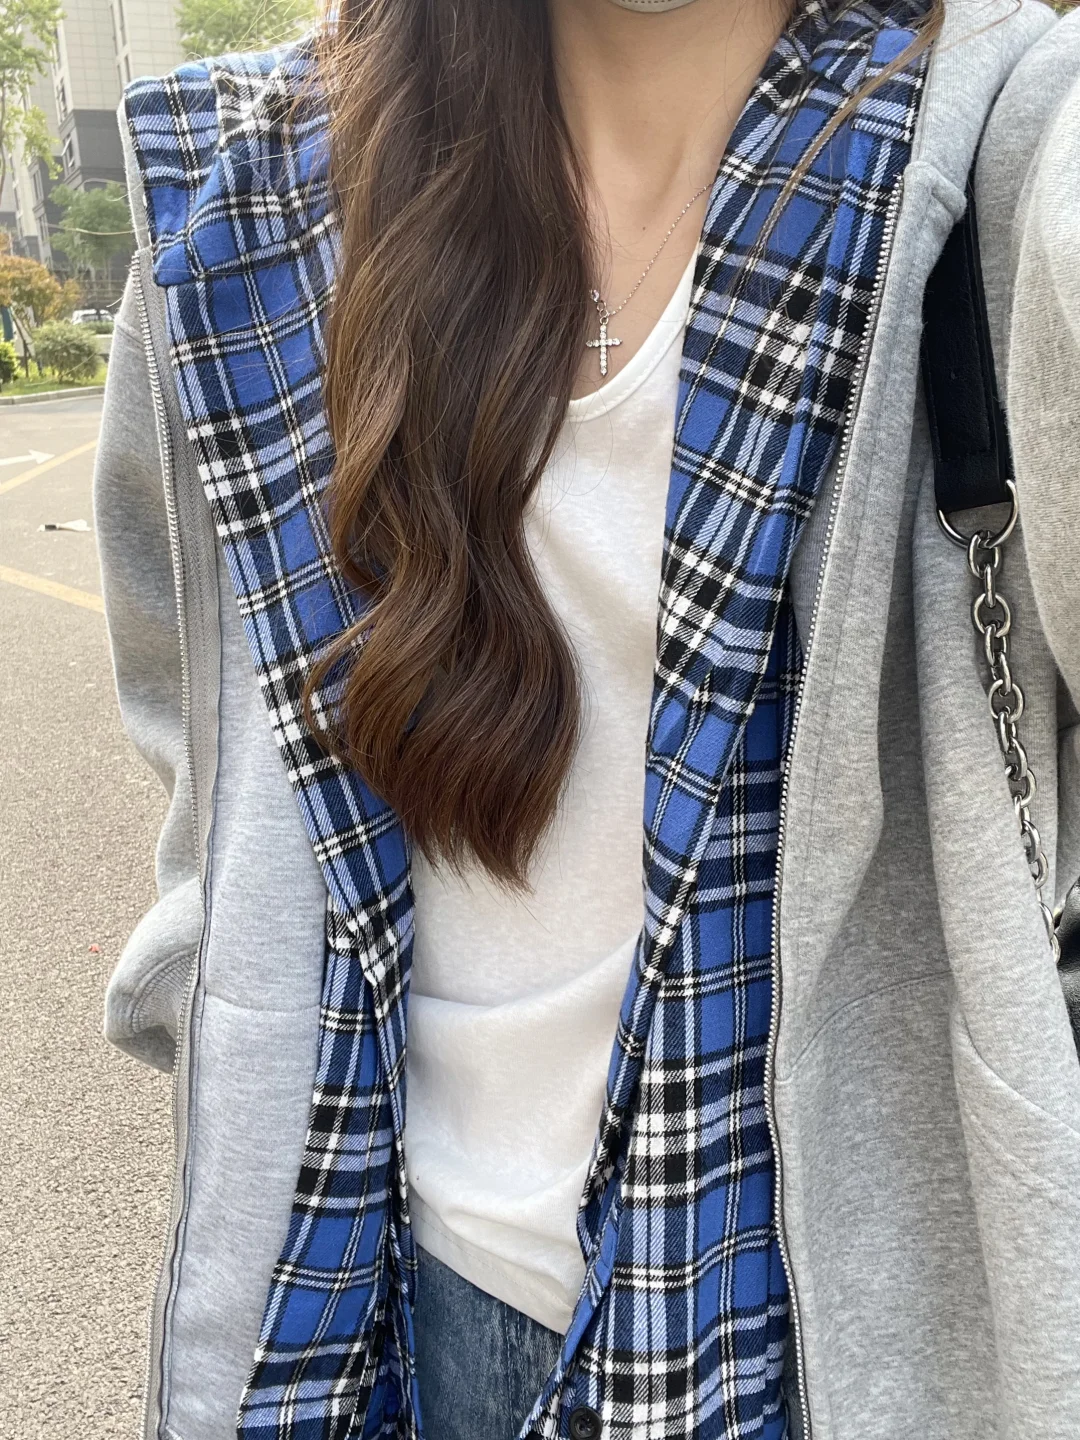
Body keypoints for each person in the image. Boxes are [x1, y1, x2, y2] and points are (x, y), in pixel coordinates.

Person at [94, 0, 1080, 1435]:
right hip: (378, 1282)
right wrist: (219, 993)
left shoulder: (1012, 147)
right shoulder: (255, 207)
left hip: (827, 1323)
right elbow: (200, 717)